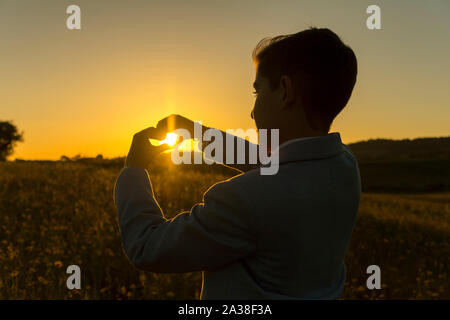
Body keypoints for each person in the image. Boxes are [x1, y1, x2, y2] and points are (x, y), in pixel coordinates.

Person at [114, 27, 360, 299]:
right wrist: (198, 134)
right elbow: (273, 165)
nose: (252, 111)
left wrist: (133, 170)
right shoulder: (344, 165)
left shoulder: (245, 199)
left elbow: (148, 248)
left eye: (257, 93)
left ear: (285, 92)